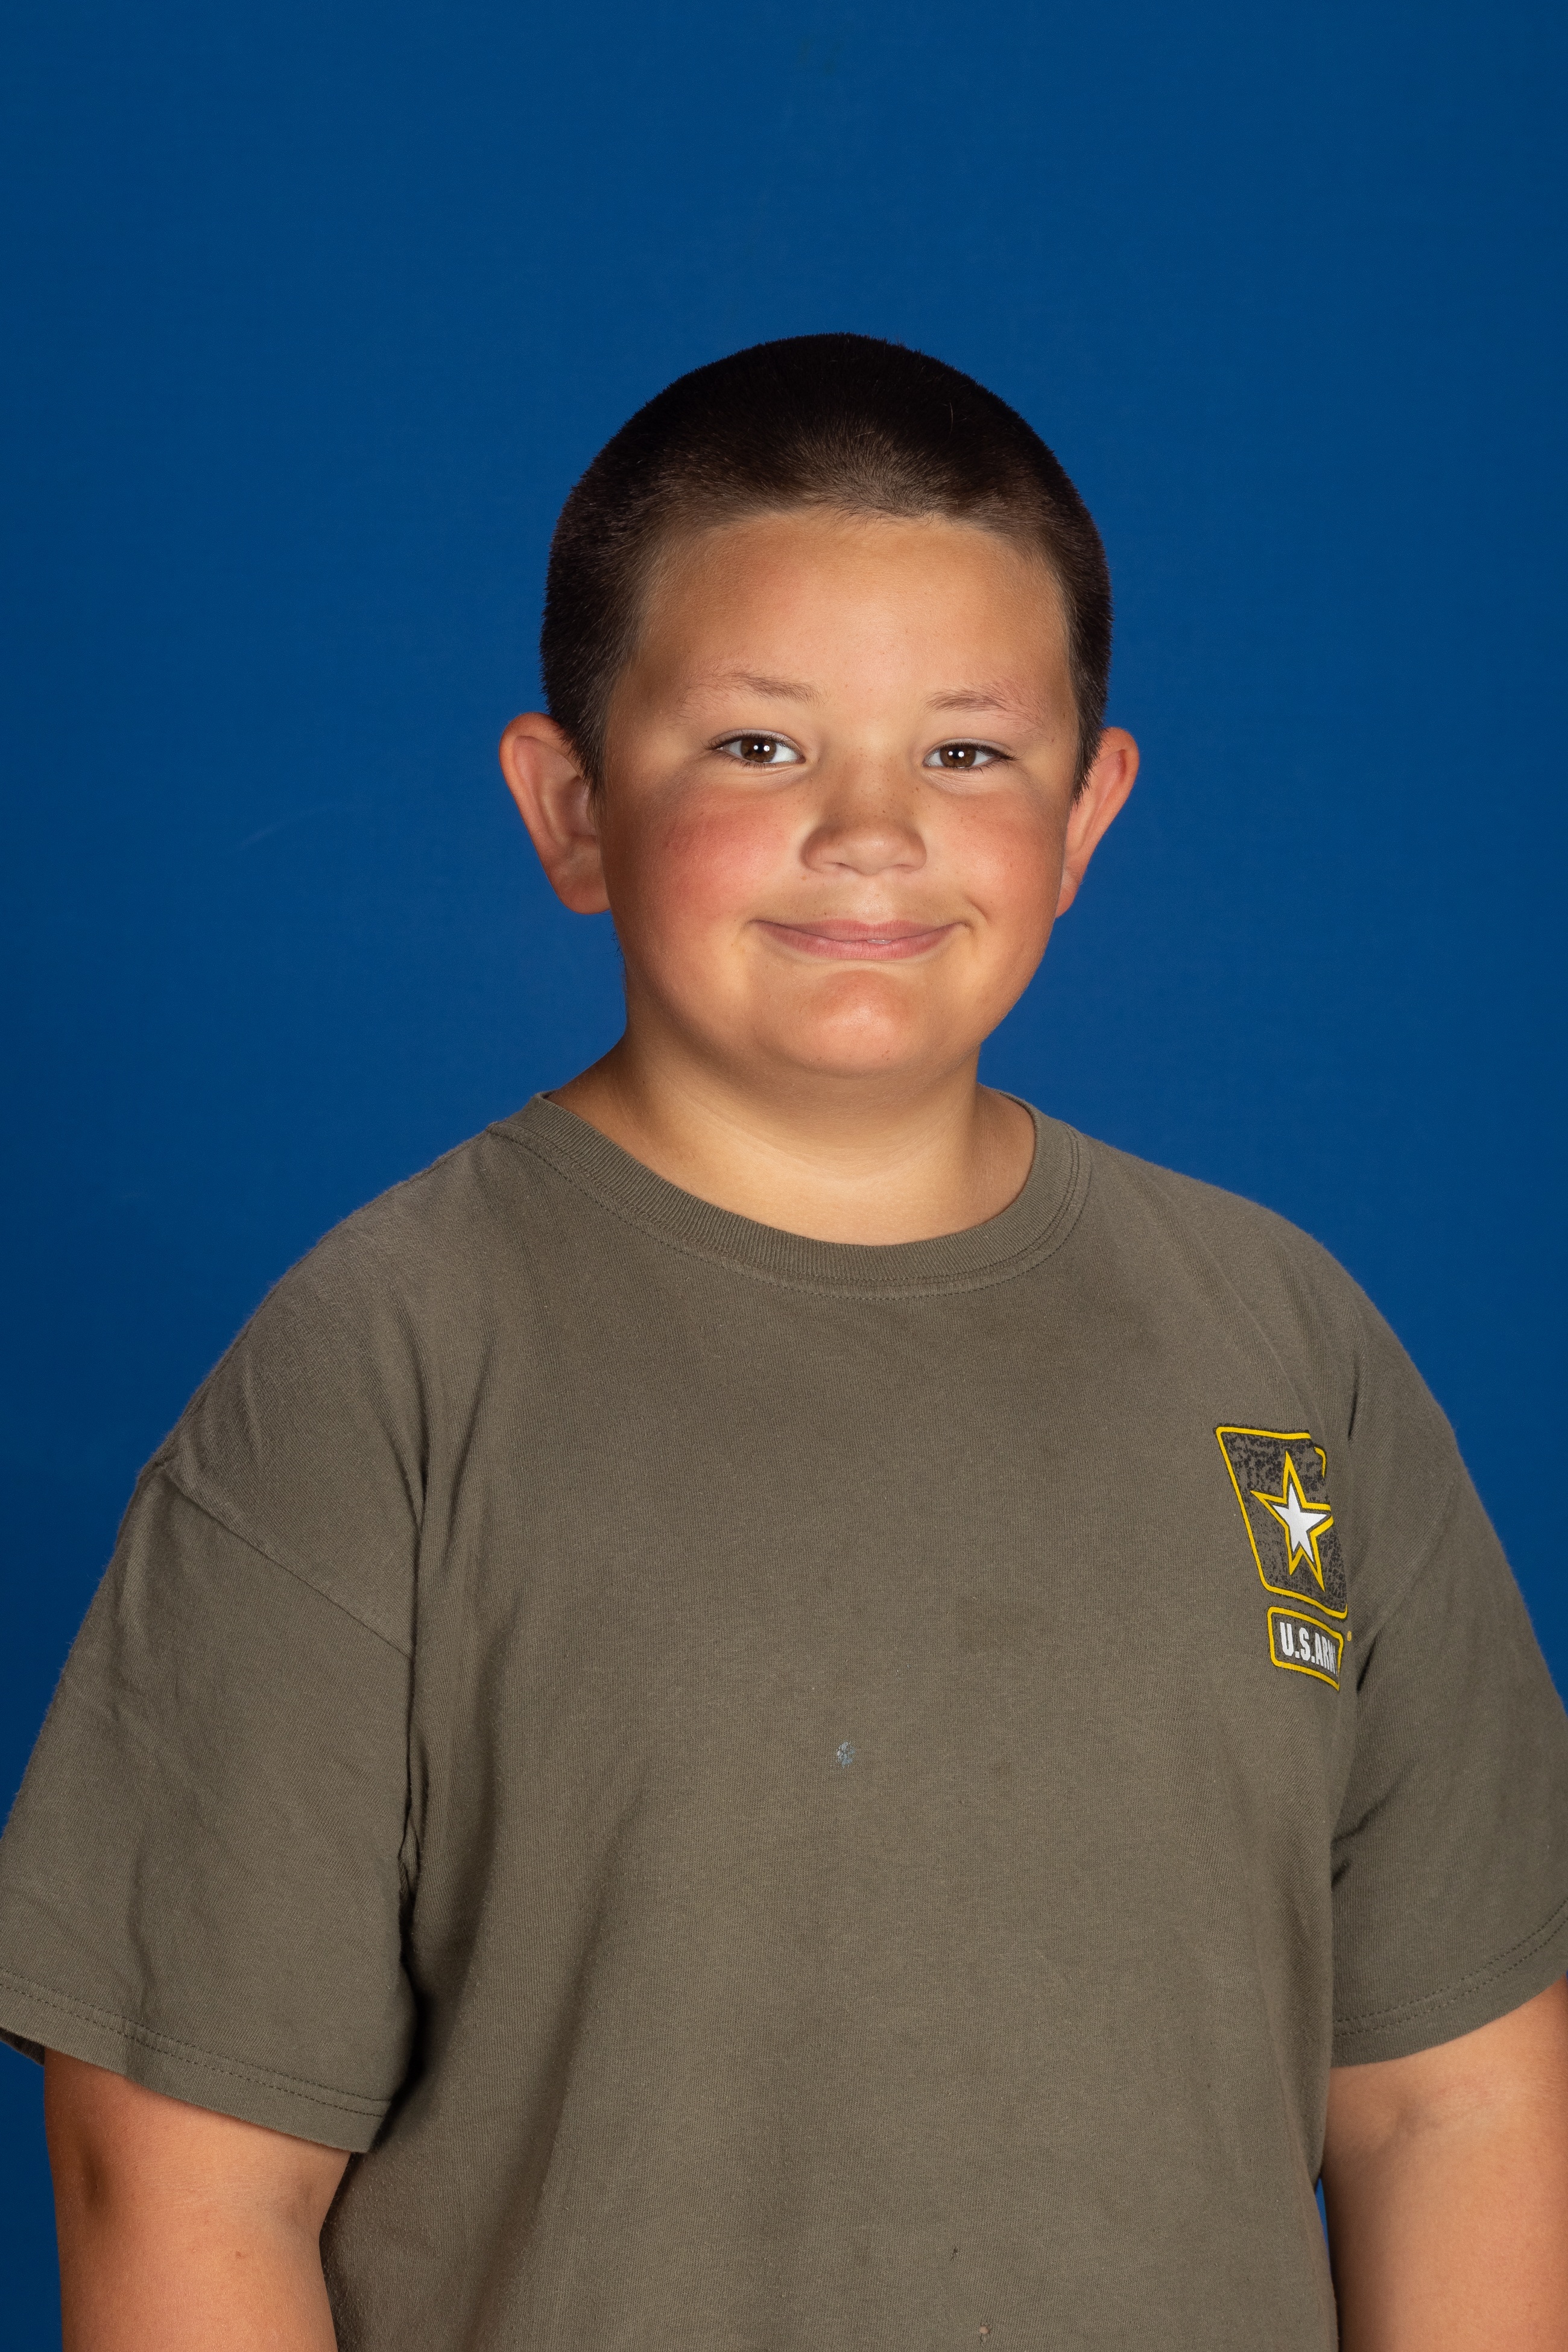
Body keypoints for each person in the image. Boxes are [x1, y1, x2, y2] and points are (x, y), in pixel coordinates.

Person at [3, 334, 1566, 2352]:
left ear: (1088, 812)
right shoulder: (384, 1369)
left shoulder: (1287, 1349)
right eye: (759, 745)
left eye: (966, 754)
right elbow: (178, 2182)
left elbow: (1456, 2098)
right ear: (572, 807)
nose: (870, 832)